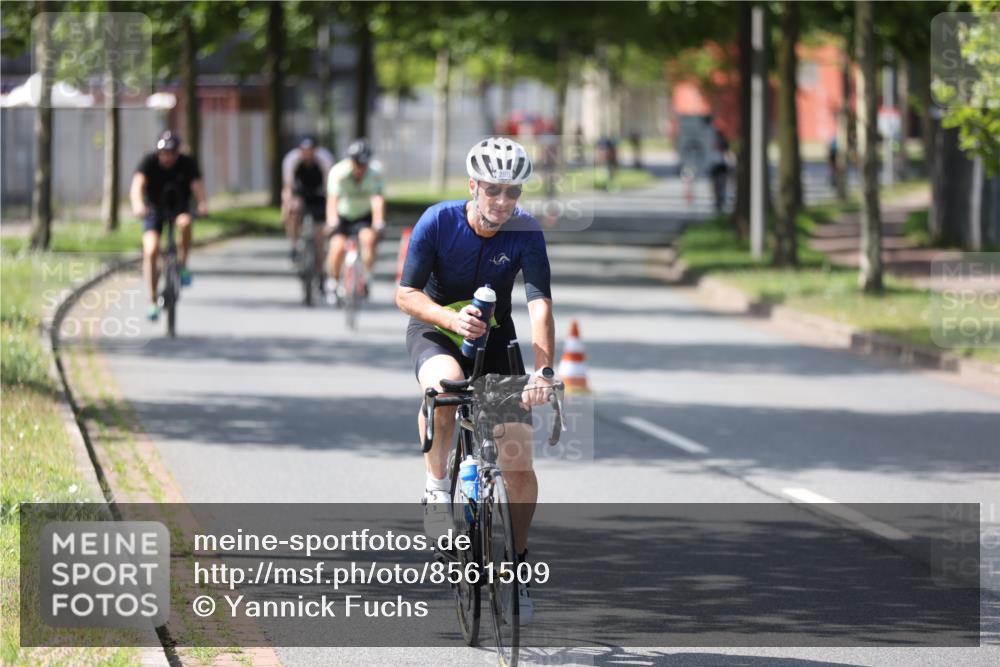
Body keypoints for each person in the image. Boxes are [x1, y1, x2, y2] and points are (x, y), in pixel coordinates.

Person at [395, 136, 556, 622]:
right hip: (437, 329)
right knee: (444, 387)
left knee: (519, 466)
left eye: (513, 192)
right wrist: (451, 320)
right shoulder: (439, 221)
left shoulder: (525, 232)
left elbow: (540, 304)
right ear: (473, 186)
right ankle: (436, 486)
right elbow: (406, 294)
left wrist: (544, 370)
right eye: (493, 191)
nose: (503, 202)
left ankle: (518, 567)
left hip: (495, 340)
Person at [129, 131, 207, 321]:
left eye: (172, 152)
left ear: (177, 152)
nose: (168, 156)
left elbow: (197, 187)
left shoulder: (187, 163)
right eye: (164, 152)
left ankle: (183, 264)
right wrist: (138, 205)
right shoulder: (149, 162)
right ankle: (153, 300)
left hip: (179, 209)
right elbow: (137, 185)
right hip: (154, 211)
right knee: (151, 250)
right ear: (158, 152)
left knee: (186, 223)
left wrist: (202, 205)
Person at [324, 138, 386, 303]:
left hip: (364, 215)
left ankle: (366, 278)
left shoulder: (375, 173)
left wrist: (379, 221)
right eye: (357, 164)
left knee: (369, 239)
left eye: (363, 164)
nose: (360, 168)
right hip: (343, 215)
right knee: (337, 247)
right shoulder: (338, 172)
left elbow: (377, 199)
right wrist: (332, 221)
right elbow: (332, 200)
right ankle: (333, 281)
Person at [281, 136, 335, 263]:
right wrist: (286, 207)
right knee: (293, 211)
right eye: (304, 150)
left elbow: (331, 188)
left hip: (320, 193)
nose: (307, 154)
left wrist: (331, 210)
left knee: (320, 231)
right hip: (300, 193)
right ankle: (294, 246)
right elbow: (288, 187)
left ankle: (321, 264)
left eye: (310, 150)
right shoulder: (291, 160)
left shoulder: (325, 159)